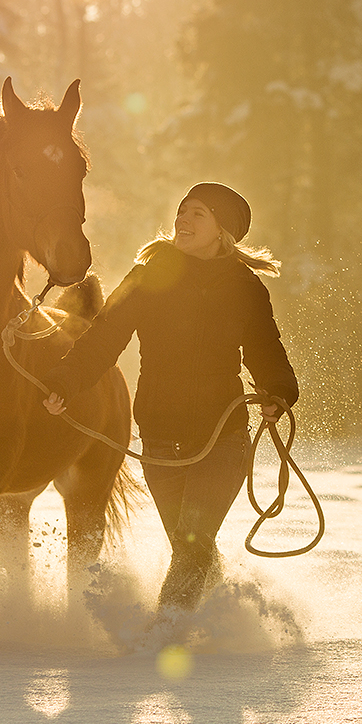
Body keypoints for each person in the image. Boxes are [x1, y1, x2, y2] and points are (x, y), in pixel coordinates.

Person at [41, 182, 298, 623]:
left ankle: (166, 635)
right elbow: (103, 338)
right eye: (182, 211)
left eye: (198, 213)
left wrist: (277, 393)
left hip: (223, 437)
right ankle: (230, 620)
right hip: (160, 441)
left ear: (223, 230)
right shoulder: (148, 276)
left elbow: (265, 351)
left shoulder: (244, 287)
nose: (184, 220)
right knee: (188, 545)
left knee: (193, 542)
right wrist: (66, 379)